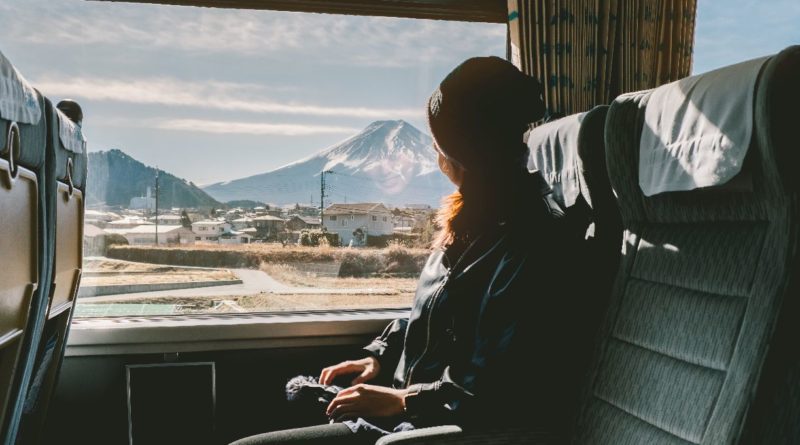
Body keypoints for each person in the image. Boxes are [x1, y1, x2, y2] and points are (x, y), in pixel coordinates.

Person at [231, 56, 581, 445]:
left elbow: (497, 385)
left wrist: (401, 400)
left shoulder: (531, 240)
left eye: (440, 140)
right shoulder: (472, 222)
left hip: (434, 429)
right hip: (410, 415)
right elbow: (441, 316)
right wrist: (378, 355)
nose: (434, 149)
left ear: (466, 152)